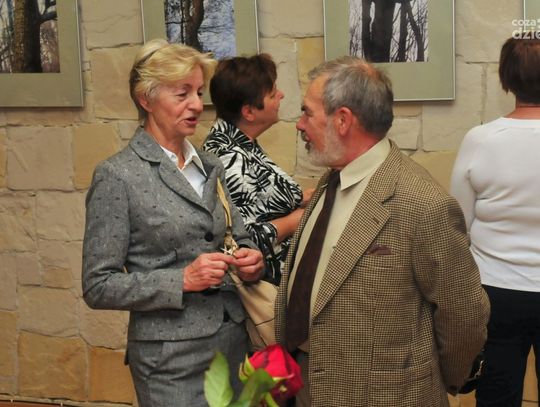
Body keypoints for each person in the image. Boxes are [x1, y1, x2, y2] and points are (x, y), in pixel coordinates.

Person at [274, 56, 490, 407]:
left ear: (343, 120)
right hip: (304, 383)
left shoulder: (422, 204)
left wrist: (437, 379)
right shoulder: (332, 179)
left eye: (306, 112)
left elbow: (463, 314)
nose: (299, 124)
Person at [82, 39, 264, 407]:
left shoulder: (211, 166)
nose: (196, 104)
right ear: (146, 99)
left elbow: (238, 237)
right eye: (182, 94)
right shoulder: (117, 176)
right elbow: (98, 285)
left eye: (198, 92)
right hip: (170, 362)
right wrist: (181, 280)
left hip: (232, 346)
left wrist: (251, 260)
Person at [450, 35, 540, 407]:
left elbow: (458, 221)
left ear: (506, 79)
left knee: (497, 397)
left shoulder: (481, 139)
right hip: (499, 290)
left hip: (496, 291)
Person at [203, 54, 313, 285]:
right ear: (249, 112)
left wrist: (299, 198)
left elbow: (259, 200)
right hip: (266, 285)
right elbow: (241, 241)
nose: (281, 95)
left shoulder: (241, 141)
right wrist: (294, 221)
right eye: (272, 94)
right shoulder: (228, 157)